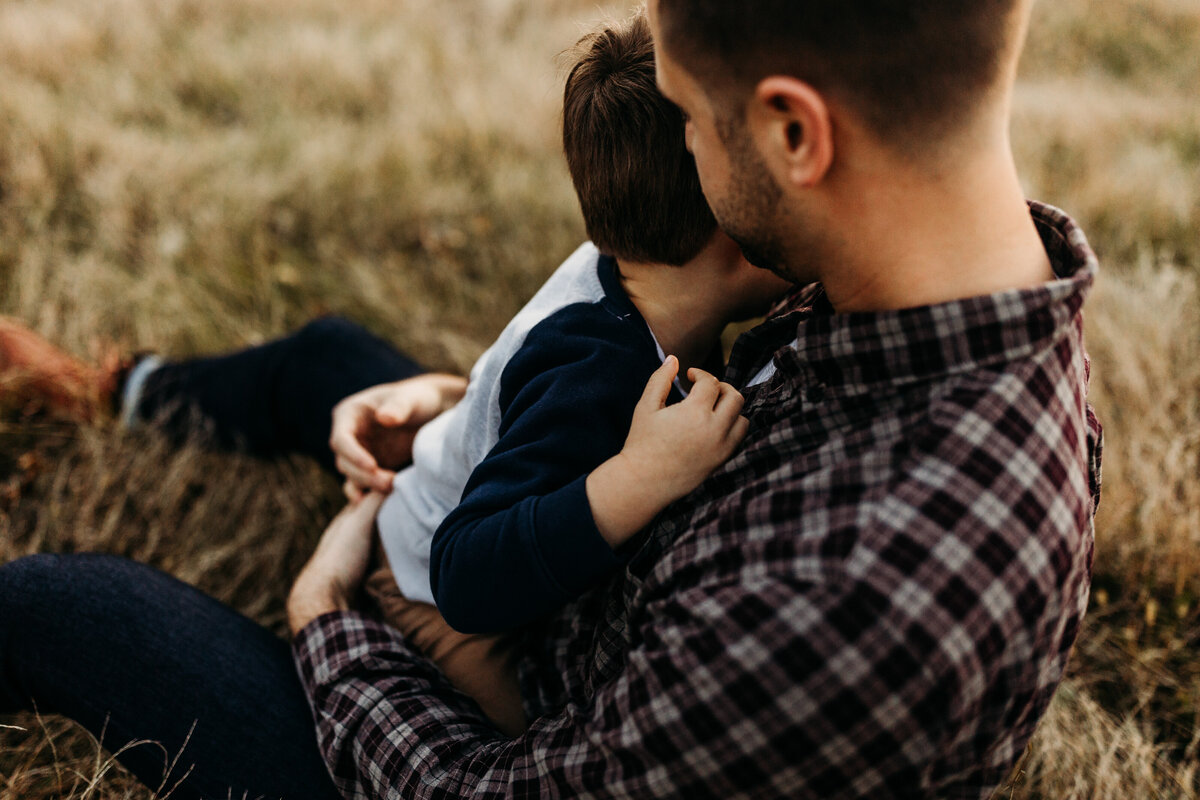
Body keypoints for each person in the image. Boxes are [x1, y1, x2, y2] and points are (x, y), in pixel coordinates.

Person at [0, 1, 1104, 798]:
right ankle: (114, 387)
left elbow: (492, 781)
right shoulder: (944, 281)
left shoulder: (855, 594)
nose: (671, 145)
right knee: (335, 354)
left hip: (496, 674)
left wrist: (329, 616)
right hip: (561, 564)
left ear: (792, 134)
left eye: (681, 110)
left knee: (56, 602)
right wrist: (462, 406)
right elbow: (585, 376)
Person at [0, 8, 785, 784]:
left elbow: (523, 384)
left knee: (333, 353)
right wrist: (636, 478)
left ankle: (122, 389)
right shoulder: (598, 370)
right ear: (730, 222)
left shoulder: (627, 259)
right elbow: (470, 575)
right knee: (524, 736)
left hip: (443, 487)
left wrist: (455, 405)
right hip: (434, 601)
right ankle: (111, 392)